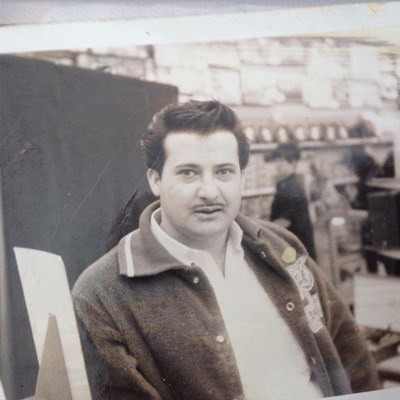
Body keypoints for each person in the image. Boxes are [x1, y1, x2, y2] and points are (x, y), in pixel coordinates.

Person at [72, 100, 380, 400]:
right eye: (188, 172)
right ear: (155, 180)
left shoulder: (280, 246)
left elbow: (349, 349)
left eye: (223, 172)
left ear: (242, 178)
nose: (209, 191)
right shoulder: (102, 294)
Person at [267, 142, 317, 259]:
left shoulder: (293, 186)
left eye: (281, 160)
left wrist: (262, 230)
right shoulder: (283, 183)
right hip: (289, 242)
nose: (277, 164)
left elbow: (285, 221)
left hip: (298, 244)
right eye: (276, 160)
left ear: (293, 162)